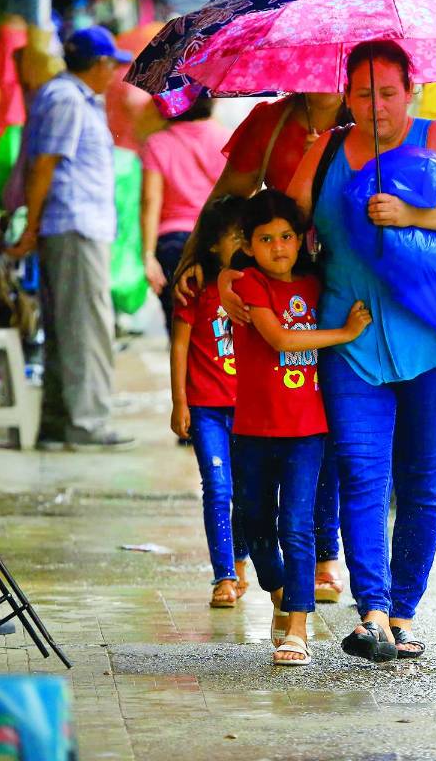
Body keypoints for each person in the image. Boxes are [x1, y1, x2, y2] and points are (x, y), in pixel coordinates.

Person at [278, 40, 436, 662]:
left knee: (422, 482)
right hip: (348, 342)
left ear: (412, 90)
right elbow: (284, 220)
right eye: (361, 93)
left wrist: (412, 214)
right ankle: (372, 613)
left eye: (387, 93)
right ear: (345, 96)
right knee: (360, 473)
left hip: (433, 343)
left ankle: (404, 611)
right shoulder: (325, 150)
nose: (375, 106)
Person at [174, 91, 352, 603]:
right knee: (266, 487)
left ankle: (322, 559)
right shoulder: (271, 122)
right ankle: (281, 572)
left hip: (339, 288)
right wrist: (200, 262)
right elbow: (227, 198)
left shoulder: (368, 113)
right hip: (276, 292)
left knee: (328, 442)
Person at [229, 190, 371, 666]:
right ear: (248, 245)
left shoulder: (316, 283)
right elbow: (280, 338)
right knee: (254, 523)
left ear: (300, 240)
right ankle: (282, 591)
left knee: (297, 524)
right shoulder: (250, 284)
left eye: (287, 236)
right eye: (266, 239)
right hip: (251, 428)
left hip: (308, 430)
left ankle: (298, 628)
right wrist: (344, 334)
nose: (278, 247)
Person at [6, 26, 135, 451]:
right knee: (86, 329)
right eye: (111, 64)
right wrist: (31, 227)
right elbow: (44, 166)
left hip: (73, 225)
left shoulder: (72, 97)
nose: (114, 72)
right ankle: (86, 424)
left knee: (67, 328)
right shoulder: (66, 98)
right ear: (98, 65)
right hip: (74, 225)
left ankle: (59, 424)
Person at [169, 197, 249, 607]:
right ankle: (224, 576)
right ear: (213, 244)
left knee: (250, 490)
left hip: (252, 408)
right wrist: (178, 401)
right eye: (232, 234)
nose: (240, 240)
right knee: (218, 488)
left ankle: (241, 562)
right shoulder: (195, 287)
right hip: (206, 408)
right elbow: (180, 346)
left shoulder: (255, 283)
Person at [140, 95, 230, 333]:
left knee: (180, 325)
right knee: (220, 327)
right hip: (217, 239)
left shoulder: (157, 143)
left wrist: (148, 255)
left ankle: (181, 371)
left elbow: (151, 200)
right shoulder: (225, 137)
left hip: (172, 242)